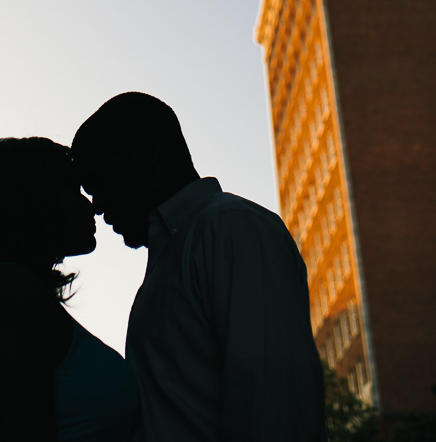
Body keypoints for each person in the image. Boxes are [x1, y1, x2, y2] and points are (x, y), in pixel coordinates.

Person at [72, 92, 327, 442]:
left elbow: (274, 397)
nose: (98, 206)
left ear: (148, 156)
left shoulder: (232, 229)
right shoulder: (177, 254)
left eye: (102, 182)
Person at [0, 136, 141, 442]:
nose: (92, 206)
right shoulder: (5, 292)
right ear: (36, 201)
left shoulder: (14, 291)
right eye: (73, 191)